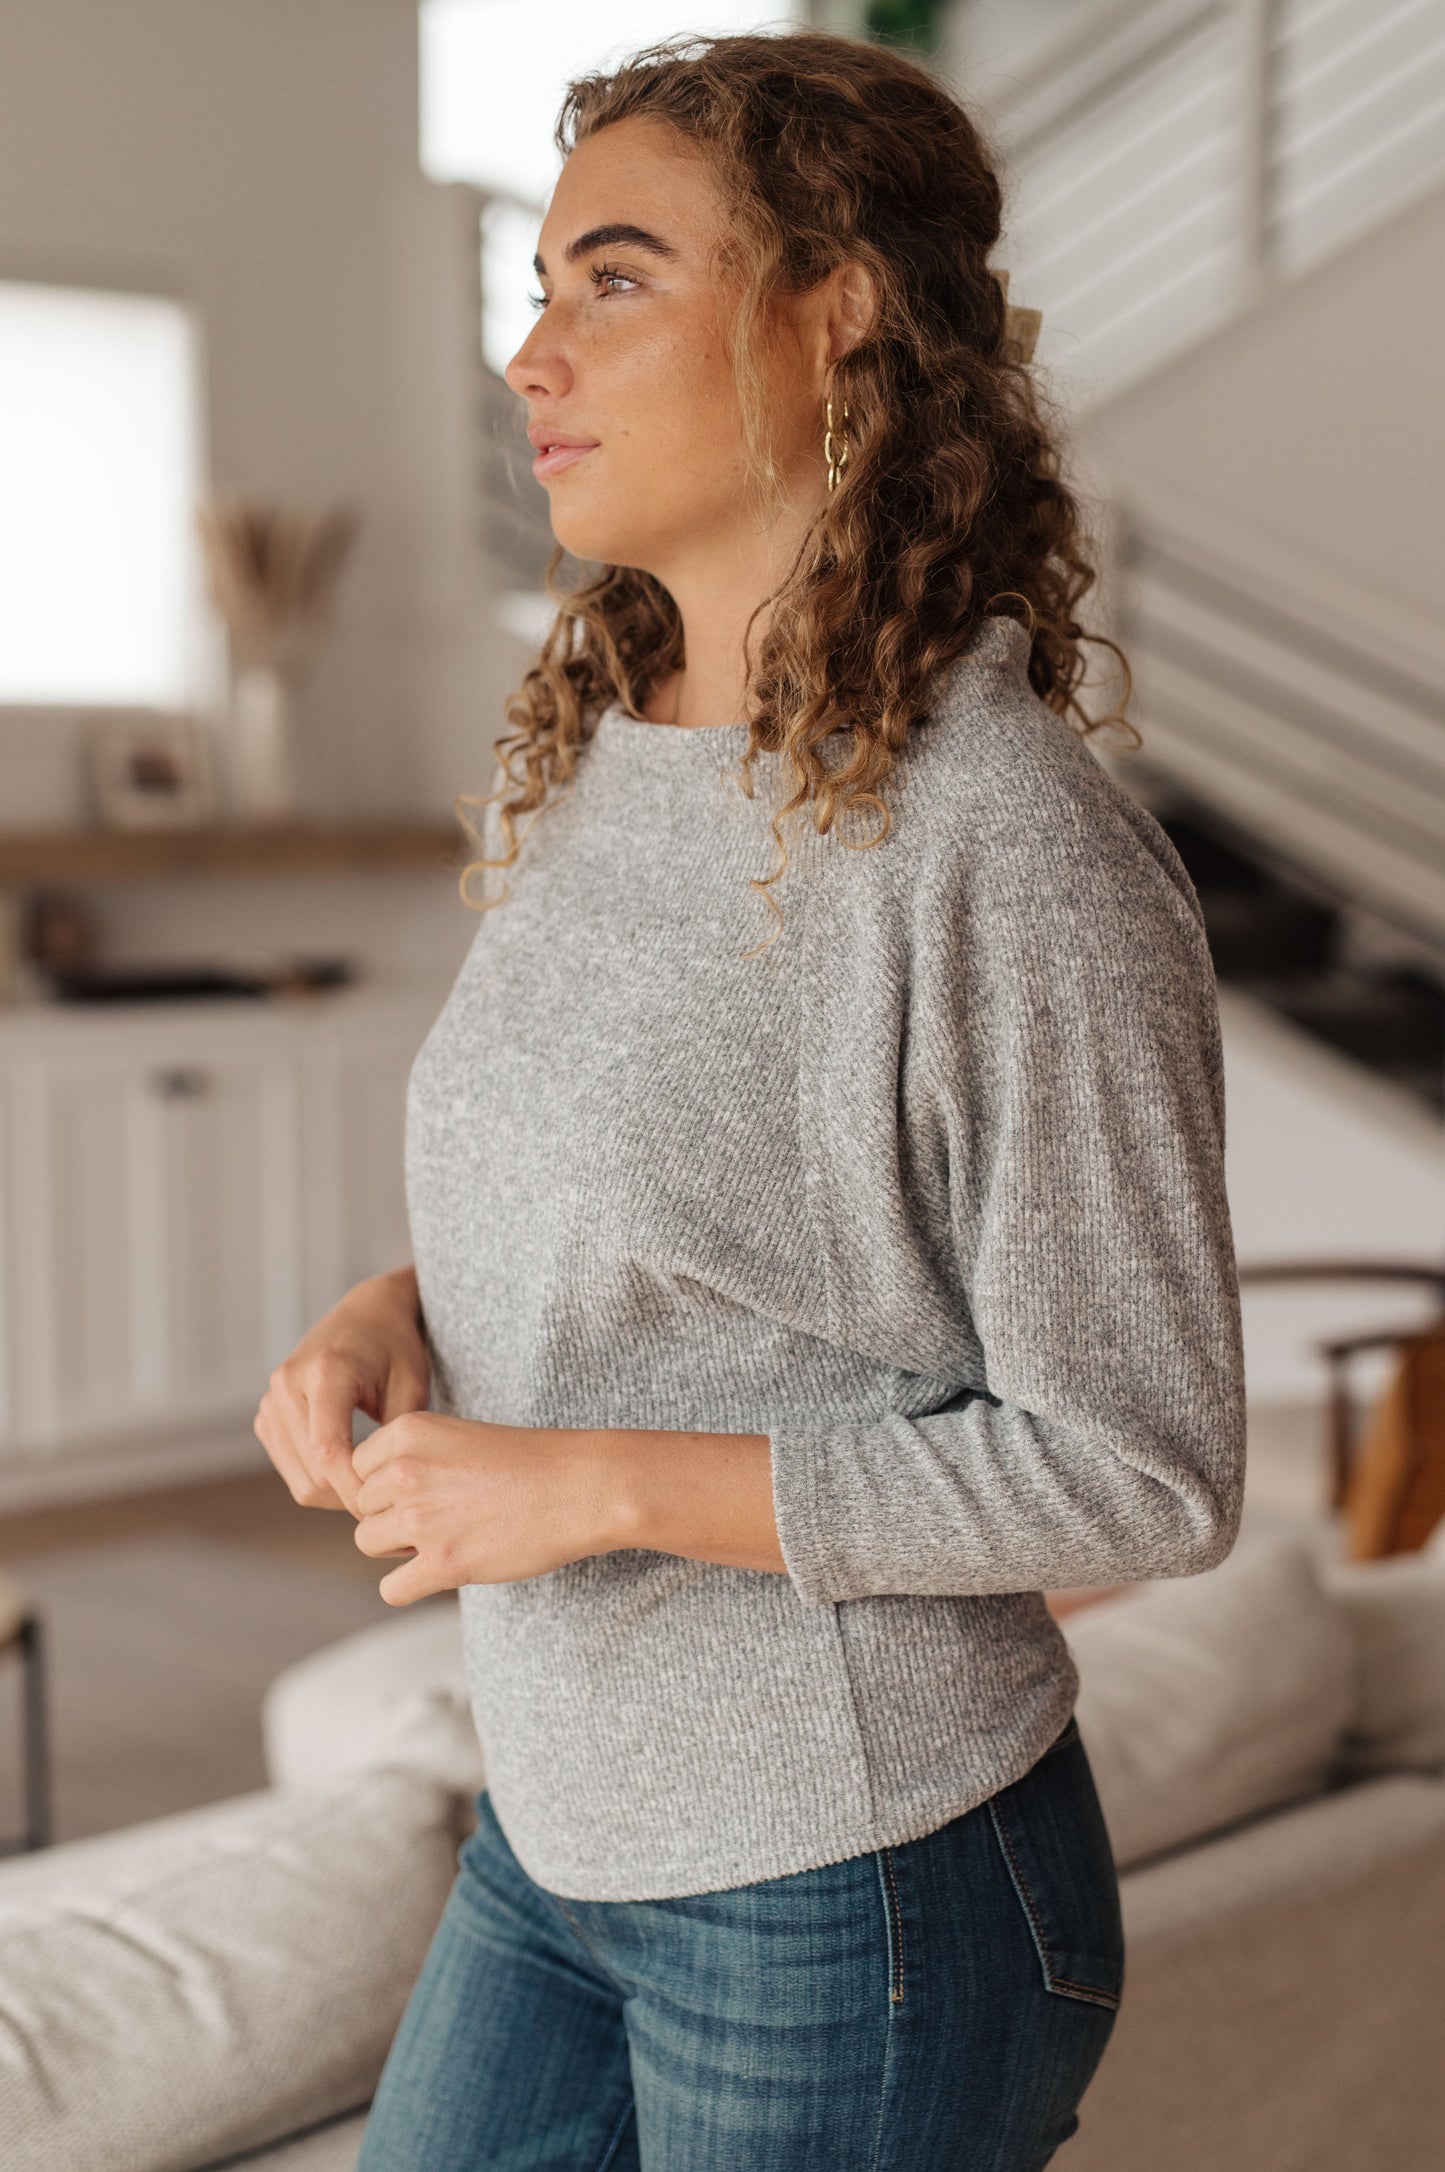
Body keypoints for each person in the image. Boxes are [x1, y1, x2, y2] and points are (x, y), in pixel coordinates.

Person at [253, 29, 1246, 2169]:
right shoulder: (619, 744)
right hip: (565, 1834)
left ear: (840, 309)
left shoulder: (1012, 846)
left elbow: (1145, 1473)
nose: (533, 355)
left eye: (613, 281)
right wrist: (396, 1307)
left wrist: (598, 1484)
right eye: (534, 292)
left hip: (853, 1882)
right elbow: (703, 1207)